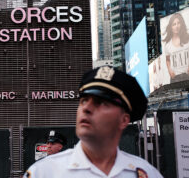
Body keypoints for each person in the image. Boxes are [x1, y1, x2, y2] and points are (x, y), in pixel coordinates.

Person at [23, 66, 163, 178]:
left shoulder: (146, 173)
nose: (86, 108)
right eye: (84, 100)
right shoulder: (43, 172)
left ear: (124, 120)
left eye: (101, 103)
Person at [162, 12, 189, 83]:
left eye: (178, 23)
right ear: (171, 27)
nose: (177, 26)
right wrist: (170, 70)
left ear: (181, 24)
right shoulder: (168, 45)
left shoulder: (187, 39)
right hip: (175, 78)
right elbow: (167, 60)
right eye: (174, 24)